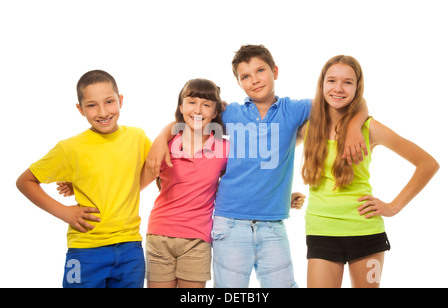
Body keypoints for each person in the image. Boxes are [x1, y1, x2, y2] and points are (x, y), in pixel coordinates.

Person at [147, 45, 369, 288]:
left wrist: (356, 127)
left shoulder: (294, 109)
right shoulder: (229, 112)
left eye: (260, 70)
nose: (254, 80)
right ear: (239, 82)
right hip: (229, 223)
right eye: (245, 76)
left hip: (273, 224)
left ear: (275, 71)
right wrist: (161, 137)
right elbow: (193, 115)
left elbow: (347, 100)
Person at [297, 55, 439, 288]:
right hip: (321, 231)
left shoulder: (370, 128)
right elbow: (276, 159)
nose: (338, 88)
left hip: (365, 231)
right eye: (331, 80)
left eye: (348, 82)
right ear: (322, 84)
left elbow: (428, 164)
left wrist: (394, 207)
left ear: (357, 87)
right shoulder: (307, 128)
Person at [16, 70, 151, 288]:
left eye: (109, 102)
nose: (103, 112)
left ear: (121, 100)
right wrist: (64, 212)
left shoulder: (137, 137)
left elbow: (150, 171)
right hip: (86, 250)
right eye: (92, 105)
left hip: (130, 248)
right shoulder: (69, 148)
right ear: (80, 109)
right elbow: (25, 181)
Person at [140, 78, 229, 288]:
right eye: (191, 102)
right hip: (160, 235)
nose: (198, 110)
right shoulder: (165, 145)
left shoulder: (224, 149)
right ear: (181, 107)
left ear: (215, 112)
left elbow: (244, 182)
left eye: (206, 104)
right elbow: (135, 186)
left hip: (198, 240)